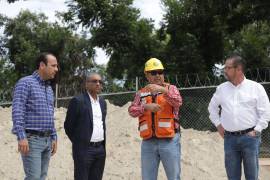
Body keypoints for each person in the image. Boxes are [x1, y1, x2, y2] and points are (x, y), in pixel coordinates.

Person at [208, 54, 270, 180]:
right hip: (229, 139)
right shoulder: (222, 89)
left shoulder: (256, 88)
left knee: (252, 176)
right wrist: (218, 125)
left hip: (250, 138)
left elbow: (266, 112)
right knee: (232, 176)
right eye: (225, 68)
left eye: (228, 68)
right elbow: (212, 108)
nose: (225, 71)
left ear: (239, 69)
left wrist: (257, 130)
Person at [128, 58, 182, 180]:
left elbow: (178, 102)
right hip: (148, 142)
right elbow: (132, 110)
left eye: (160, 72)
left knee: (174, 177)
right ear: (147, 75)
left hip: (170, 140)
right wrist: (145, 107)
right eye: (153, 72)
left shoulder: (171, 88)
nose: (158, 75)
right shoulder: (141, 93)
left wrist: (163, 90)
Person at [12, 52, 58, 180]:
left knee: (42, 177)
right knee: (33, 178)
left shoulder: (48, 88)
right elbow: (17, 110)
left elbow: (50, 115)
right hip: (31, 140)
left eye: (57, 66)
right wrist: (21, 137)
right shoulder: (25, 83)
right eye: (53, 65)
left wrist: (54, 136)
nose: (56, 69)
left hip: (47, 140)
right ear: (42, 65)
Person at [64, 72, 107, 180]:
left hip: (100, 150)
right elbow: (68, 126)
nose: (98, 84)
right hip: (84, 150)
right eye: (94, 81)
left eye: (100, 82)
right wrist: (79, 142)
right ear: (86, 84)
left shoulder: (102, 102)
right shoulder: (78, 101)